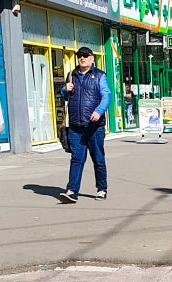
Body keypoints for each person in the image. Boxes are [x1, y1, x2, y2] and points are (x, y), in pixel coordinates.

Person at [60, 47, 111, 202]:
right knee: (77, 159)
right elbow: (64, 97)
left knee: (98, 158)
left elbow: (106, 96)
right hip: (75, 126)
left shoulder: (100, 76)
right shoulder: (71, 76)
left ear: (92, 58)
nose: (82, 58)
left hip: (94, 127)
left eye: (85, 56)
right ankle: (71, 191)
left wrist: (99, 111)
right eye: (79, 56)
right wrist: (64, 89)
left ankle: (102, 189)